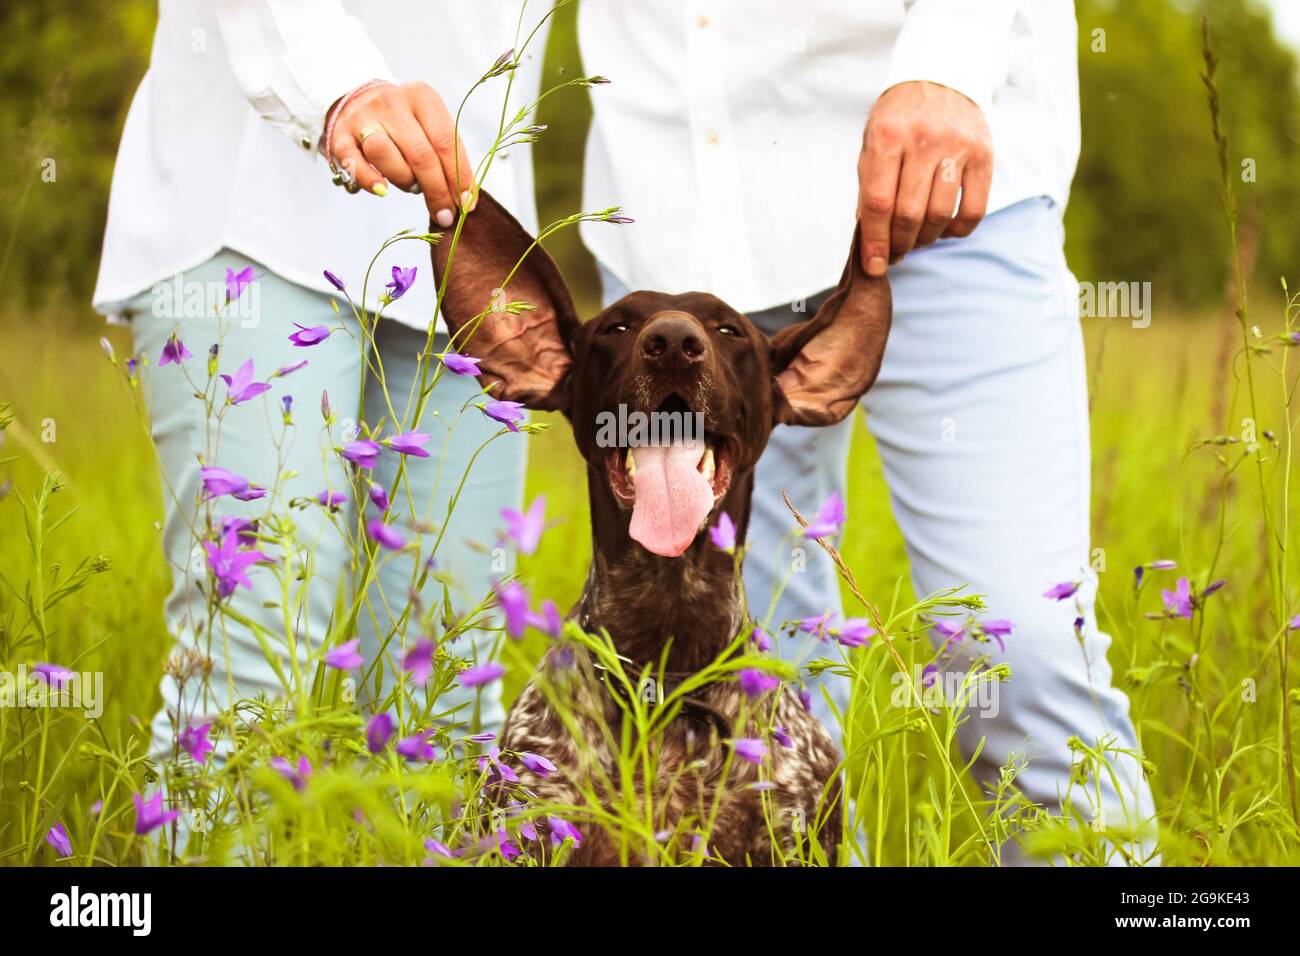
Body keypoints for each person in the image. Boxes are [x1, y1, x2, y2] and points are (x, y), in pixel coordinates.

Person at [577, 0, 1156, 861]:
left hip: (945, 186)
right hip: (674, 188)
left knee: (1017, 650)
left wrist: (949, 57)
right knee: (760, 698)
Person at [92, 1, 546, 761]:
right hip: (255, 203)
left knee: (450, 688)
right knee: (249, 672)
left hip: (474, 232)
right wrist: (340, 88)